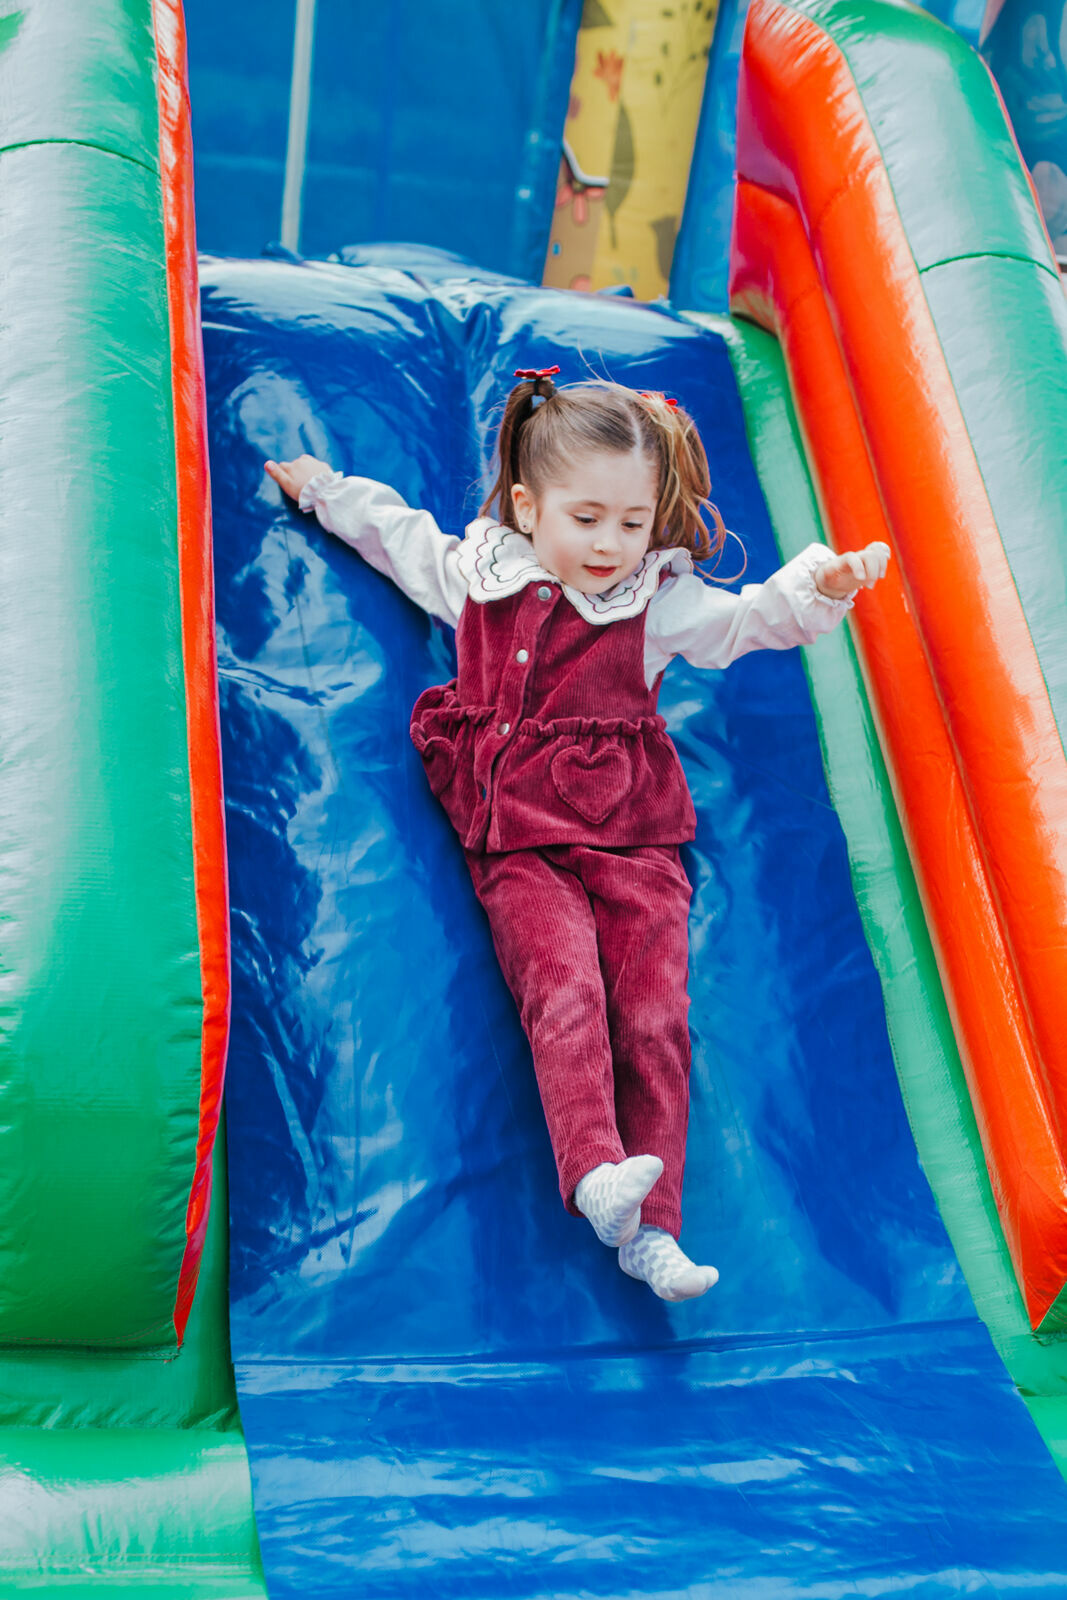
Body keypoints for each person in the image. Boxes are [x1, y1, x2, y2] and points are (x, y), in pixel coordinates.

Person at [265, 368, 890, 1303]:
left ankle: (656, 1225)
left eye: (631, 523)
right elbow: (397, 535)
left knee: (653, 1013)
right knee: (560, 985)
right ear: (528, 505)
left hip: (631, 831)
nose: (609, 544)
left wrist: (819, 586)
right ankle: (596, 1173)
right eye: (585, 518)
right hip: (514, 828)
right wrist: (320, 489)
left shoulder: (652, 602)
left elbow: (741, 624)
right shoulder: (482, 575)